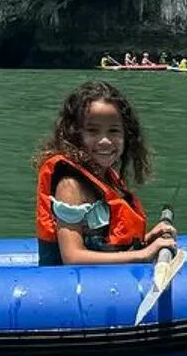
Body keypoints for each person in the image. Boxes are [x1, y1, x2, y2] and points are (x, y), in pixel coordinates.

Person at [32, 80, 176, 266]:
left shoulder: (107, 178)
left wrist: (148, 240)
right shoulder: (70, 187)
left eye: (114, 131)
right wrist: (144, 254)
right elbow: (72, 257)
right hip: (72, 282)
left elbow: (110, 245)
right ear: (74, 134)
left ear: (127, 135)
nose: (105, 141)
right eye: (93, 131)